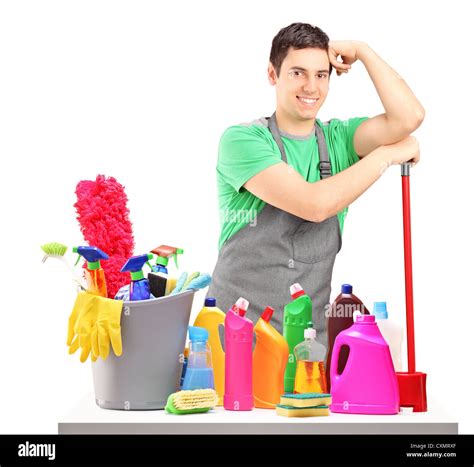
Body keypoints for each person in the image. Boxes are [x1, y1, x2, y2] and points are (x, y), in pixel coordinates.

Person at [207, 22, 423, 344]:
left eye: (321, 75)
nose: (311, 87)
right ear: (272, 74)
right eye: (298, 73)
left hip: (308, 357)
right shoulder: (243, 141)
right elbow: (315, 204)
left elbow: (410, 117)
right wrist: (384, 156)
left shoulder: (339, 140)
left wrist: (363, 51)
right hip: (234, 350)